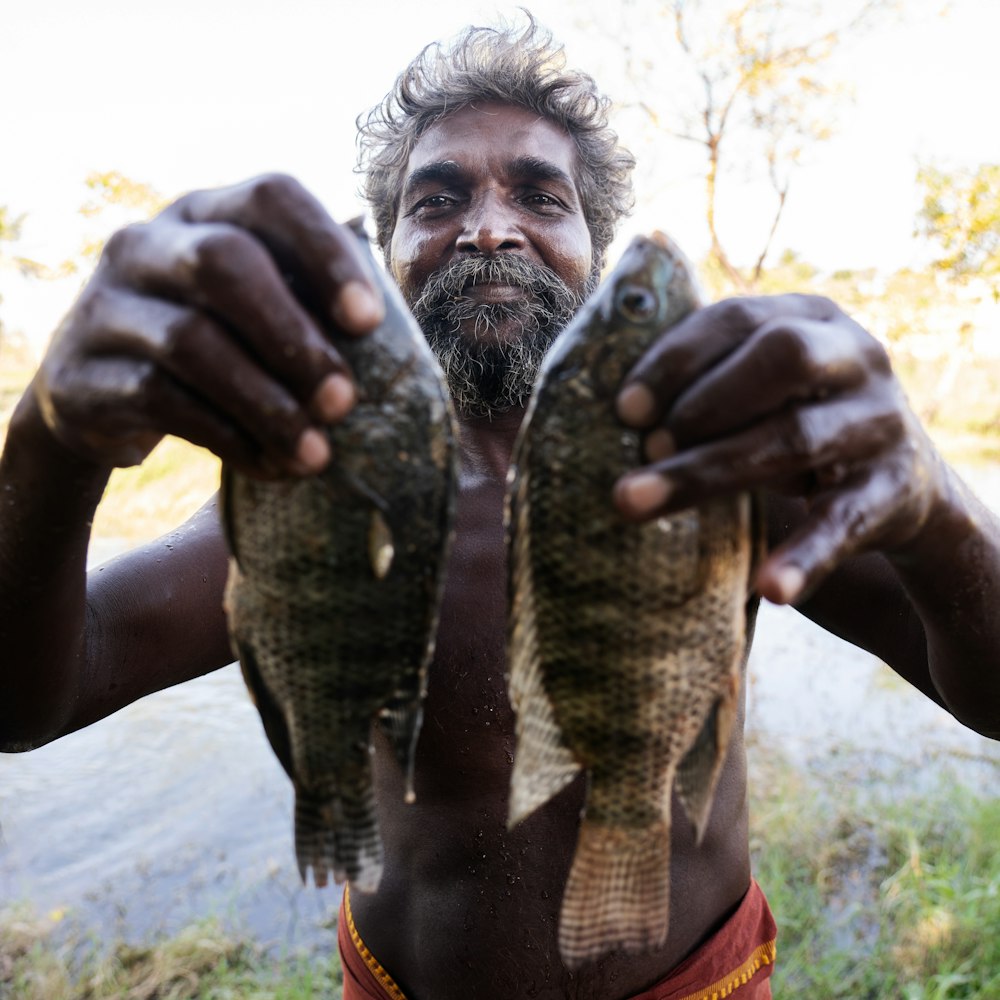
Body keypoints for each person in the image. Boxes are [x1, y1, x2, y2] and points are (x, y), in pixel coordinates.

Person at [2, 17, 999, 1000]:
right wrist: (52, 443)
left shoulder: (714, 462)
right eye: (435, 198)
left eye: (537, 192)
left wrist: (937, 509)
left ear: (591, 249)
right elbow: (28, 701)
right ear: (389, 253)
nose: (486, 226)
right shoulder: (322, 487)